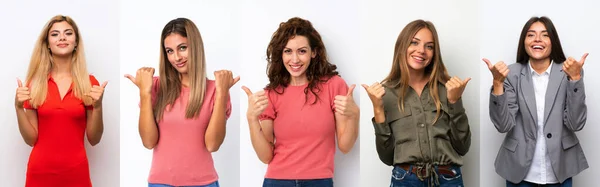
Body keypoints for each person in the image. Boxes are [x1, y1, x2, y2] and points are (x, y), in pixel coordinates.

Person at [242, 17, 359, 187]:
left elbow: (345, 146)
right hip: (277, 181)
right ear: (280, 54)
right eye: (288, 51)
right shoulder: (271, 94)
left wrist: (354, 114)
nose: (294, 59)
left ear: (314, 52)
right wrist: (252, 118)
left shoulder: (333, 86)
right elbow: (265, 156)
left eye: (302, 51)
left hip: (319, 181)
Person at [125, 18, 237, 187]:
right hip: (160, 183)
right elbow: (148, 142)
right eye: (169, 51)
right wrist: (145, 93)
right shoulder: (155, 86)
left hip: (203, 183)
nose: (176, 57)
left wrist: (222, 94)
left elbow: (212, 145)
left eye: (182, 48)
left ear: (196, 47)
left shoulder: (216, 89)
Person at [363, 19, 471, 187]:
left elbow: (463, 147)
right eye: (414, 42)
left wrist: (454, 101)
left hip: (448, 179)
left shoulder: (448, 88)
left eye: (429, 46)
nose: (421, 51)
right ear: (402, 46)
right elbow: (386, 157)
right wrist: (377, 109)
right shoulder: (386, 93)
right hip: (405, 180)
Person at [485, 16, 588, 187]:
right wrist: (497, 84)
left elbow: (576, 123)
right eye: (531, 35)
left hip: (560, 170)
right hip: (519, 171)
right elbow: (503, 126)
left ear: (553, 41)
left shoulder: (570, 72)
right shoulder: (511, 74)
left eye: (545, 35)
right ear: (524, 41)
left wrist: (575, 78)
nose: (537, 39)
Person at [14, 15, 106, 187]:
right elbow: (31, 139)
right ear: (47, 44)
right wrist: (18, 108)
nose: (62, 37)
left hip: (76, 173)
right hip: (39, 173)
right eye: (55, 34)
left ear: (76, 42)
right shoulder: (35, 84)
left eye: (68, 33)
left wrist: (98, 107)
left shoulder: (89, 83)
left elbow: (94, 139)